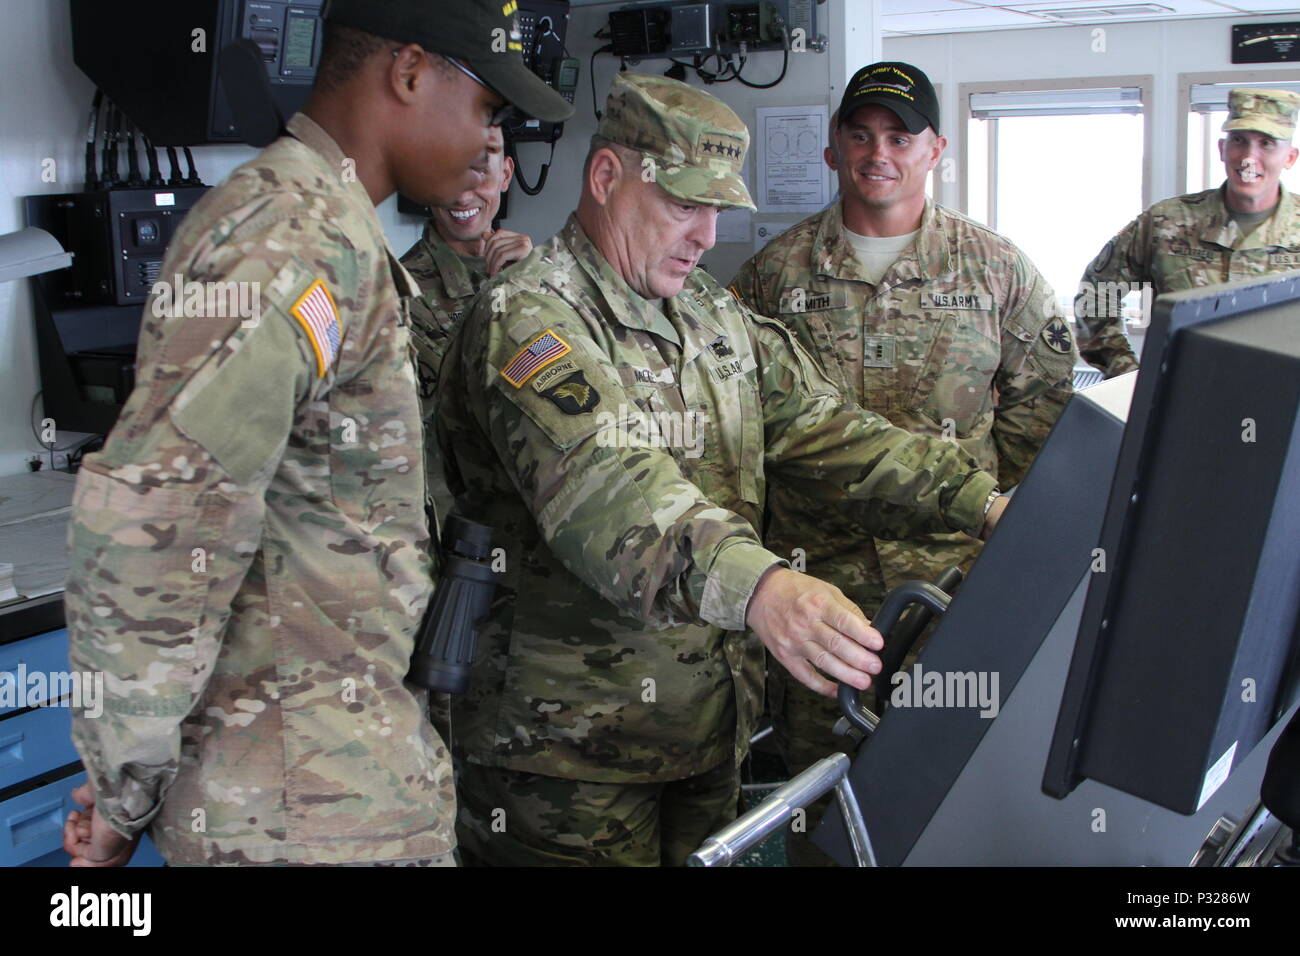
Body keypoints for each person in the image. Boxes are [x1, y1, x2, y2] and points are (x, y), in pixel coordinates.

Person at [435, 71, 1009, 867]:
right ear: (606, 178)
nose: (705, 234)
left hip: (705, 731)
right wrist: (766, 587)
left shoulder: (709, 313)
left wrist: (984, 503)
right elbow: (611, 489)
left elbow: (826, 426)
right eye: (682, 203)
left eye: (716, 209)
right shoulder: (531, 316)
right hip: (566, 757)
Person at [59, 0, 572, 867]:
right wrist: (122, 791)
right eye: (487, 108)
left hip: (338, 777)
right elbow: (162, 525)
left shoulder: (332, 231)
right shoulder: (292, 236)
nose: (492, 143)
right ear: (409, 73)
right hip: (296, 807)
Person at [729, 60, 1076, 865]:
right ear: (832, 150)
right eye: (859, 134)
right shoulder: (771, 279)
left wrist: (1003, 530)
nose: (877, 152)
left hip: (955, 587)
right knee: (823, 800)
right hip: (824, 591)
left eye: (899, 135)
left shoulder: (995, 269)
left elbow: (1045, 410)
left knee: (951, 789)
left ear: (935, 150)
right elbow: (745, 432)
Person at [1076, 87, 1300, 378]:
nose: (1248, 157)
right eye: (1239, 141)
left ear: (1290, 157)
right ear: (1222, 149)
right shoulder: (1166, 222)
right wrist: (1124, 371)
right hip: (1181, 402)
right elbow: (1097, 290)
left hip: (1283, 404)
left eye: (1267, 144)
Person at [400, 124, 532, 519]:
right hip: (458, 521)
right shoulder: (403, 292)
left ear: (505, 175)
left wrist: (531, 286)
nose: (462, 195)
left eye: (478, 173)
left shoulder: (536, 274)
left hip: (534, 517)